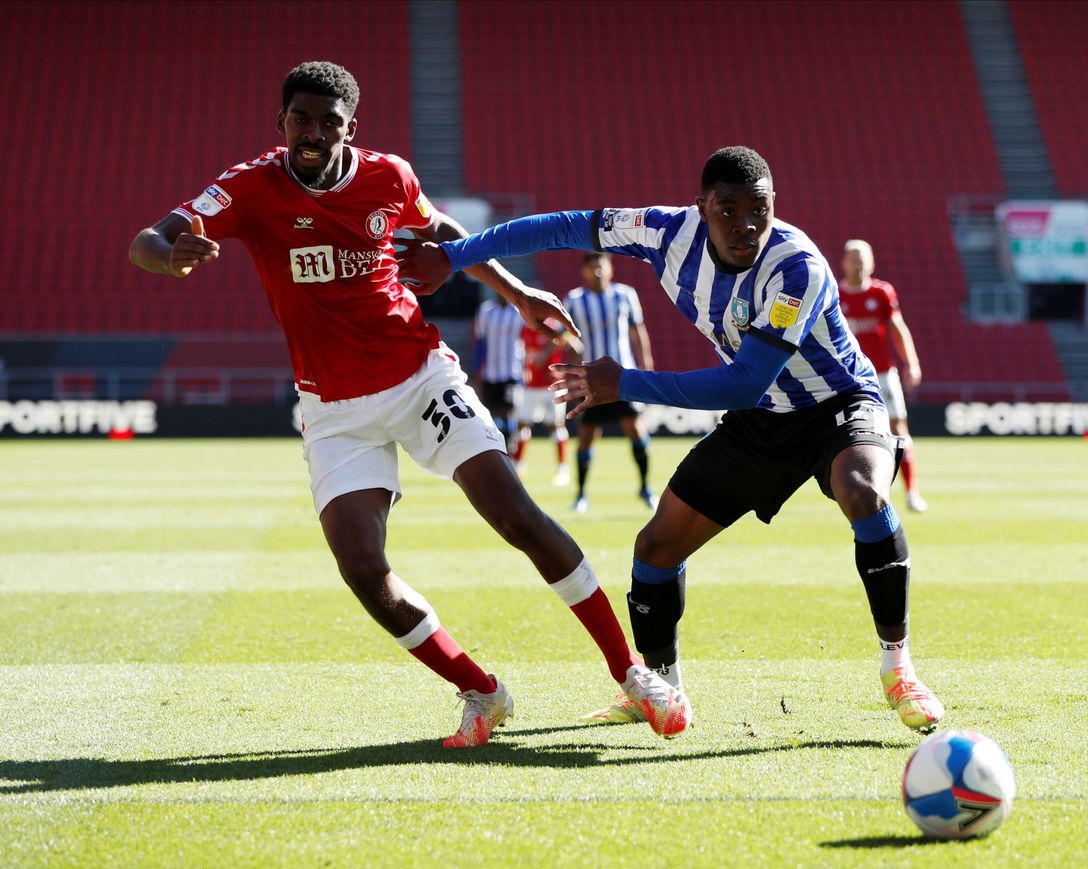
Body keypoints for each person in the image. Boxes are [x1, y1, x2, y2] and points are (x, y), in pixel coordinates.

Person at [128, 61, 680, 747]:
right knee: (362, 567)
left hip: (421, 378)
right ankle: (482, 692)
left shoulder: (389, 176)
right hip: (333, 409)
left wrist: (517, 291)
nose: (312, 132)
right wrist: (169, 256)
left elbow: (443, 230)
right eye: (301, 118)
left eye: (329, 121)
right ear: (282, 123)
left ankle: (631, 672)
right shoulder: (247, 188)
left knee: (516, 514)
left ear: (349, 129)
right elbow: (149, 238)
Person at [398, 145, 945, 739]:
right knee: (656, 547)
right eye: (728, 210)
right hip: (761, 420)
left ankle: (899, 668)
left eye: (758, 209)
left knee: (862, 490)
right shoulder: (661, 232)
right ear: (701, 207)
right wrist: (455, 255)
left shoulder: (797, 267)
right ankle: (659, 686)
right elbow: (560, 226)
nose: (745, 225)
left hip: (838, 404)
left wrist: (623, 382)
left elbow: (744, 379)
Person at [839, 240, 928, 512]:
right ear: (844, 262)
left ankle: (911, 491)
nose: (859, 263)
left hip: (882, 373)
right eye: (854, 258)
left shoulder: (882, 292)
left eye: (864, 258)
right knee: (844, 436)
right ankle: (857, 492)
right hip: (846, 375)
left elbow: (897, 327)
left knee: (898, 429)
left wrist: (911, 362)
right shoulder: (834, 292)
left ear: (873, 262)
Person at [564, 252, 657, 513]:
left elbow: (638, 333)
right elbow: (571, 343)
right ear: (584, 271)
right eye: (592, 268)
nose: (597, 272)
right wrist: (572, 377)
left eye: (601, 267)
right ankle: (581, 494)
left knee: (637, 432)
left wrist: (646, 367)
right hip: (590, 381)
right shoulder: (573, 300)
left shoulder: (625, 294)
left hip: (623, 377)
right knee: (586, 437)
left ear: (610, 269)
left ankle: (646, 488)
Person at [514, 319, 573, 485]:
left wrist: (546, 356)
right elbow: (524, 351)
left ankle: (562, 469)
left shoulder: (553, 326)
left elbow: (567, 338)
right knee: (522, 423)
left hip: (552, 384)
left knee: (555, 425)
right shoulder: (525, 327)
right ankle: (518, 466)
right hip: (531, 384)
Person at [472, 293, 525, 453]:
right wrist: (477, 366)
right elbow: (480, 340)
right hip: (491, 371)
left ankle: (510, 448)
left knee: (509, 410)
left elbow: (526, 338)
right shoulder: (486, 311)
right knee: (491, 410)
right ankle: (495, 447)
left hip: (512, 371)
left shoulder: (518, 312)